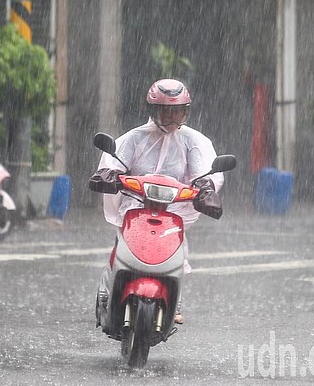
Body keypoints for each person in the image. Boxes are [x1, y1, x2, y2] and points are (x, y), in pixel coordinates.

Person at [90, 78, 224, 324]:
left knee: (179, 249)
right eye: (167, 111)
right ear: (153, 110)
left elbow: (202, 172)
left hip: (174, 209)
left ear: (187, 111)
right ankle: (107, 289)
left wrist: (206, 189)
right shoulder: (134, 138)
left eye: (179, 111)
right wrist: (109, 175)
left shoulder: (192, 141)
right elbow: (115, 161)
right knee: (122, 243)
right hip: (135, 205)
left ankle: (176, 297)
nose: (173, 118)